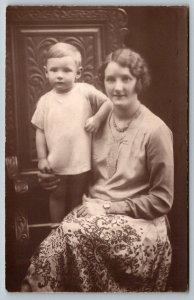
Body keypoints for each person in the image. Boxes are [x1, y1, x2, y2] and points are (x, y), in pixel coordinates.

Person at [22, 48, 174, 292]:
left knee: (69, 235)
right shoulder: (96, 123)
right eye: (110, 79)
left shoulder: (155, 131)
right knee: (51, 250)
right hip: (89, 211)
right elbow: (73, 165)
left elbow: (162, 200)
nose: (117, 87)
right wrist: (49, 177)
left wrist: (107, 208)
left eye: (126, 78)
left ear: (139, 82)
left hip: (139, 224)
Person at [31, 42, 112, 226]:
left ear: (78, 72)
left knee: (76, 196)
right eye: (54, 70)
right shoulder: (45, 101)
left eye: (66, 70)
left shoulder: (84, 91)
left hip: (80, 159)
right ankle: (56, 232)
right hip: (57, 161)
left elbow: (108, 103)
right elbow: (40, 130)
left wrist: (97, 119)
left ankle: (74, 231)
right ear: (45, 72)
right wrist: (42, 159)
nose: (59, 75)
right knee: (57, 195)